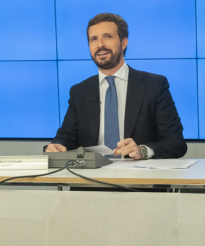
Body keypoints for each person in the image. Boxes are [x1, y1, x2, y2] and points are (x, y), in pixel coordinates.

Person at [46, 13, 186, 159]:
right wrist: (57, 145)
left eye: (108, 36)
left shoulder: (154, 86)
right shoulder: (79, 92)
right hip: (92, 179)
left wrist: (142, 150)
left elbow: (176, 142)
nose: (100, 44)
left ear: (124, 42)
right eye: (94, 39)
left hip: (140, 177)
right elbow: (66, 137)